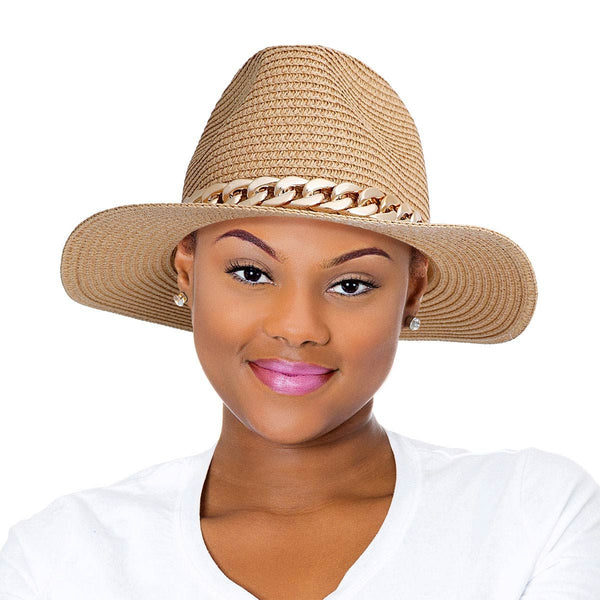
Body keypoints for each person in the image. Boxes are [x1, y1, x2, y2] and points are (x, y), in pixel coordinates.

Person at [2, 43, 599, 599]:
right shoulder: (60, 558)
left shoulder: (533, 517)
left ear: (412, 292)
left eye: (351, 284)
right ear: (187, 272)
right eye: (251, 273)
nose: (297, 327)